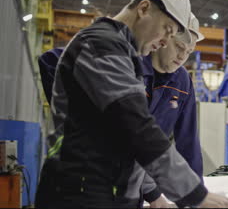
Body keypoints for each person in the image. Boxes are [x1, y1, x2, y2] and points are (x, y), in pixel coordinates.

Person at [35, 0, 228, 208]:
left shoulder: (126, 54)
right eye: (166, 29)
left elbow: (129, 140)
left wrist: (153, 193)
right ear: (143, 8)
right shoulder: (101, 46)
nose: (164, 41)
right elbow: (136, 127)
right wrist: (195, 195)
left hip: (108, 193)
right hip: (81, 194)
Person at [38, 13, 206, 208]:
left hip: (130, 191)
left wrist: (197, 199)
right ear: (164, 39)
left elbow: (188, 142)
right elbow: (51, 60)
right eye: (179, 47)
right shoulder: (123, 60)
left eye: (189, 51)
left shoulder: (183, 82)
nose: (183, 56)